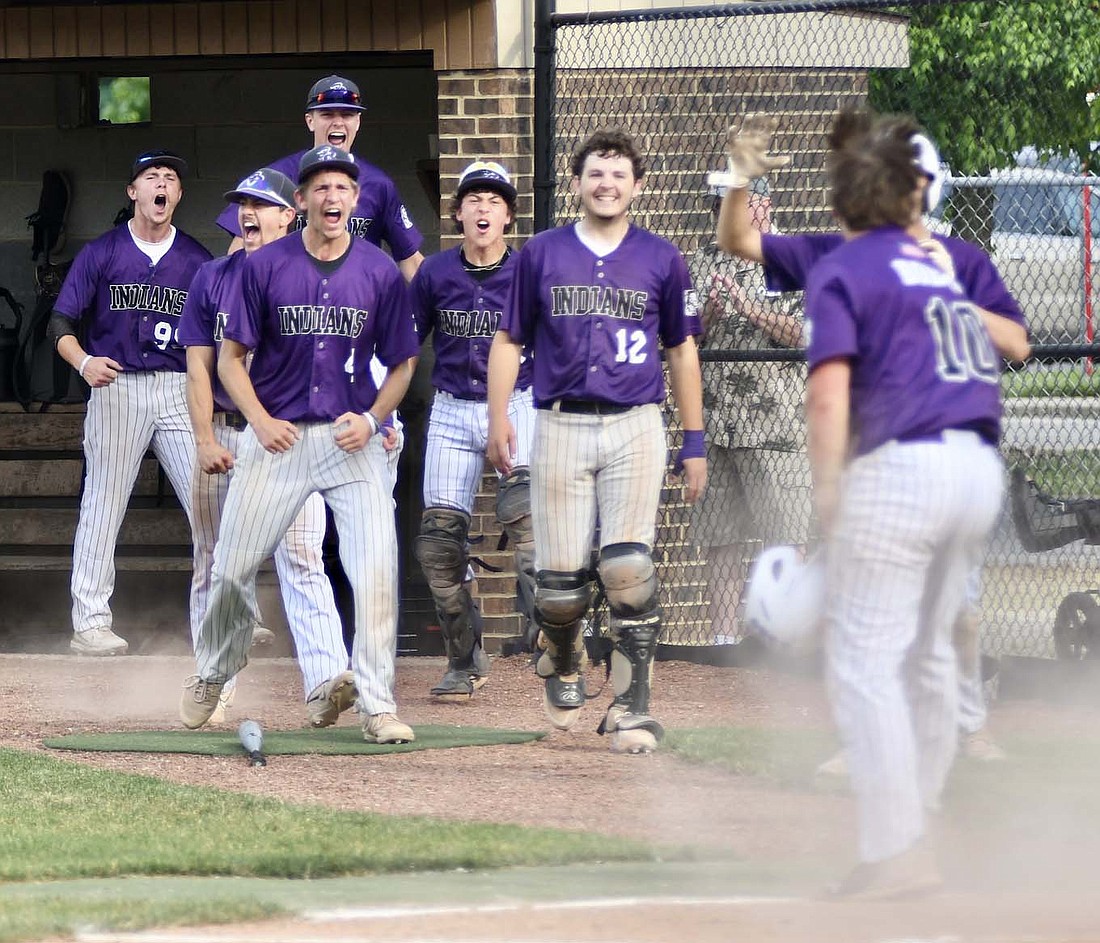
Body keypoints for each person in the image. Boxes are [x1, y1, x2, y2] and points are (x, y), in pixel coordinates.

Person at [716, 114, 1027, 764]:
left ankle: (967, 727)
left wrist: (942, 293)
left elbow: (1018, 343)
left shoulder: (962, 260)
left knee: (954, 618)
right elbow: (740, 239)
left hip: (940, 456)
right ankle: (862, 746)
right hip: (873, 461)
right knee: (864, 617)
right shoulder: (843, 251)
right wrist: (739, 177)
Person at [802, 110, 1008, 898]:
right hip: (975, 467)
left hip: (908, 467)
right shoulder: (937, 267)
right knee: (926, 654)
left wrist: (829, 494)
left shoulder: (849, 269)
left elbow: (830, 395)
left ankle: (898, 848)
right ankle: (919, 817)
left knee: (862, 662)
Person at [180, 145, 420, 744]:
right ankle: (213, 671)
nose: (331, 196)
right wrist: (258, 421)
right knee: (232, 570)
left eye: (341, 187)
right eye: (319, 187)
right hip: (277, 441)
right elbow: (230, 361)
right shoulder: (261, 268)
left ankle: (377, 704)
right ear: (302, 201)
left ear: (355, 200)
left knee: (376, 573)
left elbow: (402, 365)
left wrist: (373, 417)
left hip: (349, 442)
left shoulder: (380, 272)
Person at [486, 129, 707, 755]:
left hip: (635, 421)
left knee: (628, 568)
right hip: (557, 420)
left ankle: (633, 708)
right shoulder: (541, 254)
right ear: (576, 182)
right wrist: (500, 417)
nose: (607, 184)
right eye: (596, 173)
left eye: (619, 174)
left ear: (639, 185)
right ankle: (563, 656)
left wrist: (694, 441)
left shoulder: (662, 259)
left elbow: (681, 349)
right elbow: (508, 341)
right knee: (559, 590)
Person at [178, 166, 357, 728]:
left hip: (288, 441)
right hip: (227, 435)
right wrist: (204, 438)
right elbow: (199, 368)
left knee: (303, 558)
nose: (247, 213)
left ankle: (327, 682)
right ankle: (213, 678)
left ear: (290, 214)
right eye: (241, 203)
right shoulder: (213, 276)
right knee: (213, 561)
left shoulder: (316, 276)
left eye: (261, 203)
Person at [49, 150, 213, 656]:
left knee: (209, 503)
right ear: (133, 192)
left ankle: (224, 617)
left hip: (178, 386)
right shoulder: (102, 252)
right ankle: (91, 623)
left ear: (179, 195)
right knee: (104, 504)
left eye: (170, 178)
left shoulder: (198, 259)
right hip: (116, 385)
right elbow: (61, 324)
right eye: (151, 177)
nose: (162, 185)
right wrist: (83, 364)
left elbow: (219, 335)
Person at [410, 160, 536, 700]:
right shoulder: (435, 274)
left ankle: (552, 638)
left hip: (521, 402)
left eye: (494, 200)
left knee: (530, 522)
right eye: (473, 200)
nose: (483, 208)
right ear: (457, 213)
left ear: (508, 215)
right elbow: (402, 347)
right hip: (452, 406)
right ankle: (464, 660)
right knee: (439, 545)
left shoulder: (529, 272)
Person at [687, 178, 810, 643]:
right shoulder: (701, 262)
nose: (724, 212)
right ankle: (723, 642)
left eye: (733, 202)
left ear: (762, 204)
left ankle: (784, 639)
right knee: (721, 538)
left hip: (776, 425)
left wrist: (751, 309)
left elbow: (805, 333)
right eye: (719, 205)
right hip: (717, 421)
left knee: (785, 535)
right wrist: (713, 315)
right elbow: (683, 338)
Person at [215, 74, 424, 282]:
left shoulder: (379, 184)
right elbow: (238, 251)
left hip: (355, 301)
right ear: (310, 121)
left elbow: (410, 260)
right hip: (288, 301)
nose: (338, 122)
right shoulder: (274, 179)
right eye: (327, 114)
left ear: (358, 122)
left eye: (347, 114)